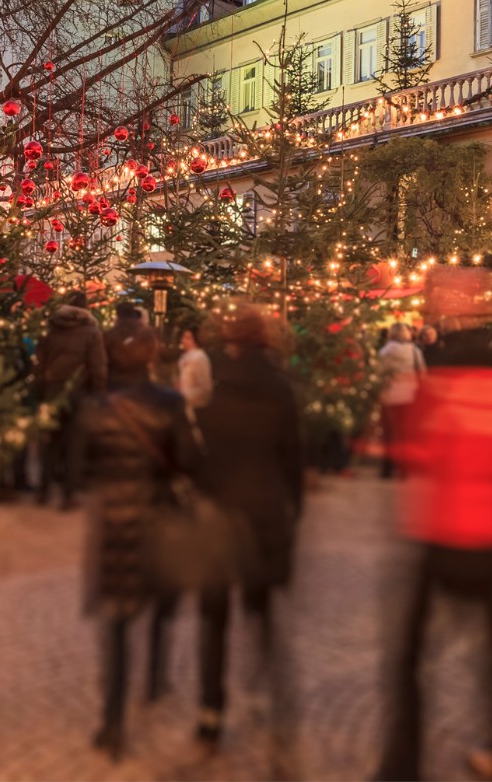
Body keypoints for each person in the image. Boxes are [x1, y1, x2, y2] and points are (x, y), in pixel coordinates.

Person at [378, 267, 492, 782]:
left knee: (411, 658)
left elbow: (420, 449)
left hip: (447, 532)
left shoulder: (442, 374)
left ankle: (402, 764)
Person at [74, 324, 197, 761]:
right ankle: (156, 678)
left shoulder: (95, 408)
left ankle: (113, 723)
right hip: (158, 517)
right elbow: (188, 462)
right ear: (151, 357)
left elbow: (76, 469)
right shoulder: (169, 403)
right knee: (162, 603)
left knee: (117, 622)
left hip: (114, 522)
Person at [190, 307, 304, 757]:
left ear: (232, 343)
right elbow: (293, 461)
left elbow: (202, 459)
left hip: (220, 517)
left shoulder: (216, 390)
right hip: (263, 517)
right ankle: (273, 701)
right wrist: (293, 513)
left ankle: (210, 713)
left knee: (213, 620)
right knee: (261, 614)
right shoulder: (281, 391)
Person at [36, 293, 107, 509]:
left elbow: (40, 362)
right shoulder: (91, 333)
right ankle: (69, 494)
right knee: (75, 444)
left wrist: (42, 391)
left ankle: (44, 490)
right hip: (78, 392)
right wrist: (98, 393)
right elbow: (98, 367)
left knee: (50, 441)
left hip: (52, 391)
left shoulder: (51, 329)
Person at [377, 323, 426, 480]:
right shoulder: (414, 351)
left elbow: (379, 371)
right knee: (405, 434)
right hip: (408, 395)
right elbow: (422, 373)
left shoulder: (385, 352)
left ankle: (387, 468)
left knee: (388, 433)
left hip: (389, 394)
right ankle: (404, 469)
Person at [175, 325, 212, 411]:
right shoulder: (184, 356)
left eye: (188, 338)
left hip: (194, 406)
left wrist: (184, 398)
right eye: (183, 337)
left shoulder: (200, 357)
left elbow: (205, 389)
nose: (183, 340)